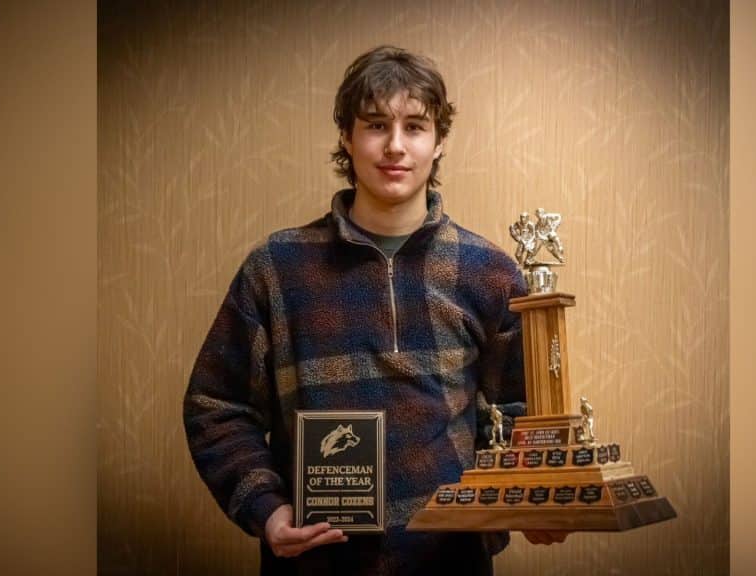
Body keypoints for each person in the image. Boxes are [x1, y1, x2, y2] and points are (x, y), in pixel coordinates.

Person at [184, 45, 566, 576]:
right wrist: (266, 510)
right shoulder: (276, 266)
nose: (395, 146)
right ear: (346, 136)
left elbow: (522, 413)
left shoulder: (489, 271)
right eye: (375, 125)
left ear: (439, 141)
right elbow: (216, 406)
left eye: (415, 127)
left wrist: (531, 499)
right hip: (314, 566)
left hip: (451, 564)